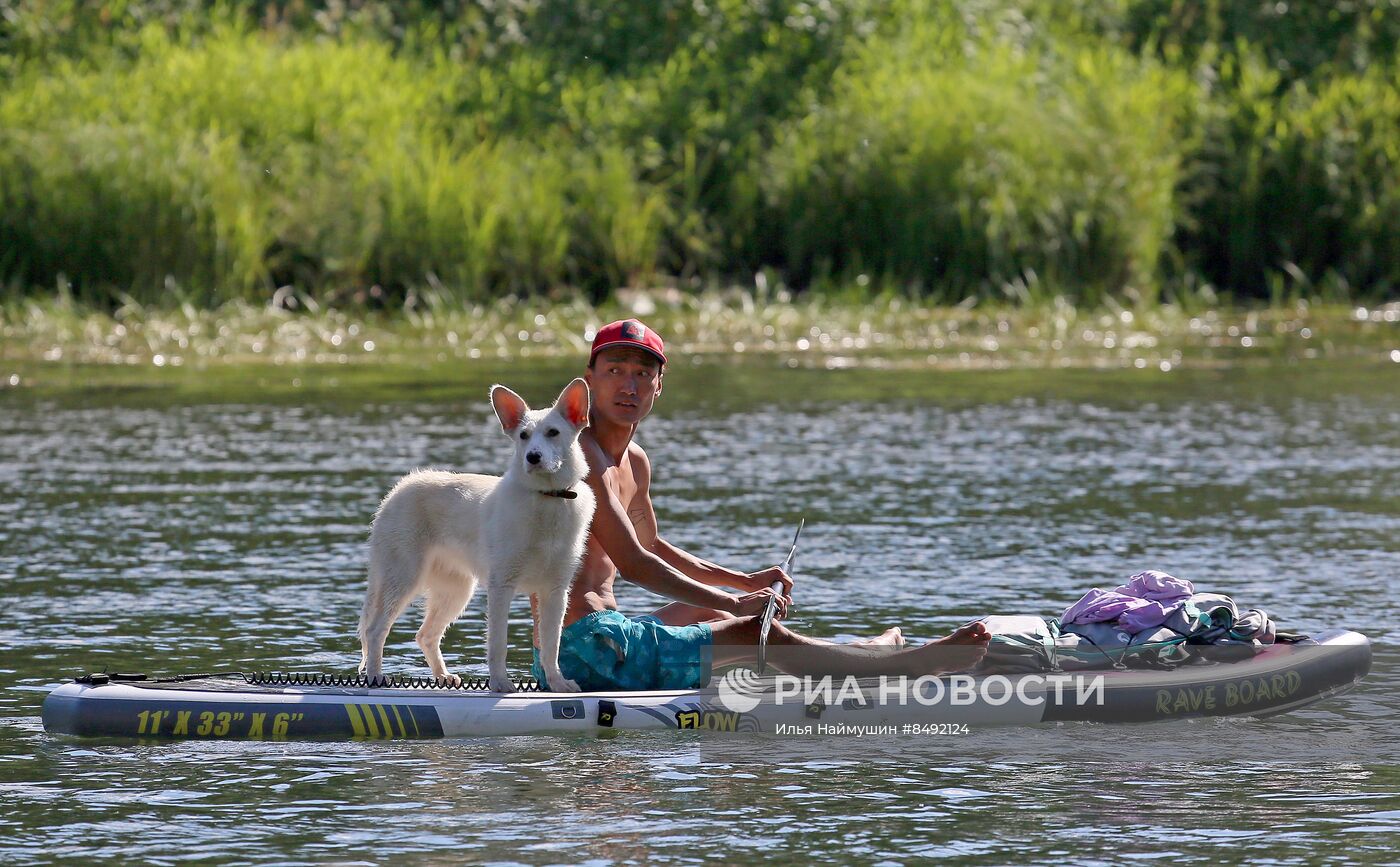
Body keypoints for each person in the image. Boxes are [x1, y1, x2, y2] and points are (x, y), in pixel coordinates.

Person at [530, 318, 989, 691]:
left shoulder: (635, 461)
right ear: (590, 380)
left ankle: (858, 655)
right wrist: (738, 604)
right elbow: (634, 564)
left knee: (716, 615)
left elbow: (651, 544)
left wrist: (743, 582)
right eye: (615, 370)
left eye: (643, 373)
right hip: (584, 655)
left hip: (611, 638)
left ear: (659, 385)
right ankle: (909, 666)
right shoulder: (578, 454)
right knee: (750, 630)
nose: (629, 385)